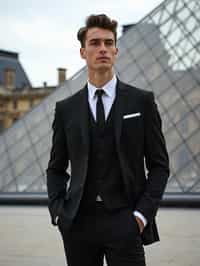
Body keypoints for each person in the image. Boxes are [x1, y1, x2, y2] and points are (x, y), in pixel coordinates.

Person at [46, 14, 170, 266]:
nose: (102, 48)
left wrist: (141, 216)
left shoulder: (142, 101)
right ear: (83, 52)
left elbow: (159, 166)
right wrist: (60, 212)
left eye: (108, 42)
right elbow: (56, 168)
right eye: (94, 43)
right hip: (78, 224)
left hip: (126, 221)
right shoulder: (65, 109)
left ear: (116, 50)